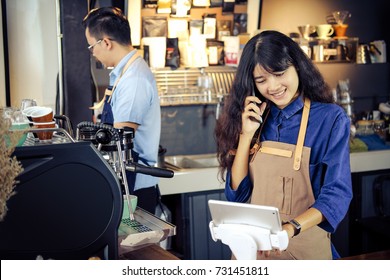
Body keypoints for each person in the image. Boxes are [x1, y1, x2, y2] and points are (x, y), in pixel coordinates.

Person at [215, 30, 353, 260]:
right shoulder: (256, 116)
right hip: (255, 253)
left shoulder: (330, 119)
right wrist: (246, 135)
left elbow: (336, 195)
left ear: (296, 66)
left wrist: (290, 229)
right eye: (262, 80)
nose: (273, 86)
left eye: (279, 74)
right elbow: (238, 195)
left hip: (304, 249)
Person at [82, 7, 161, 214]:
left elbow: (119, 143)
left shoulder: (133, 80)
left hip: (134, 187)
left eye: (92, 47)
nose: (93, 54)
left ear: (106, 42)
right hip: (125, 181)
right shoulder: (124, 73)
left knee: (135, 246)